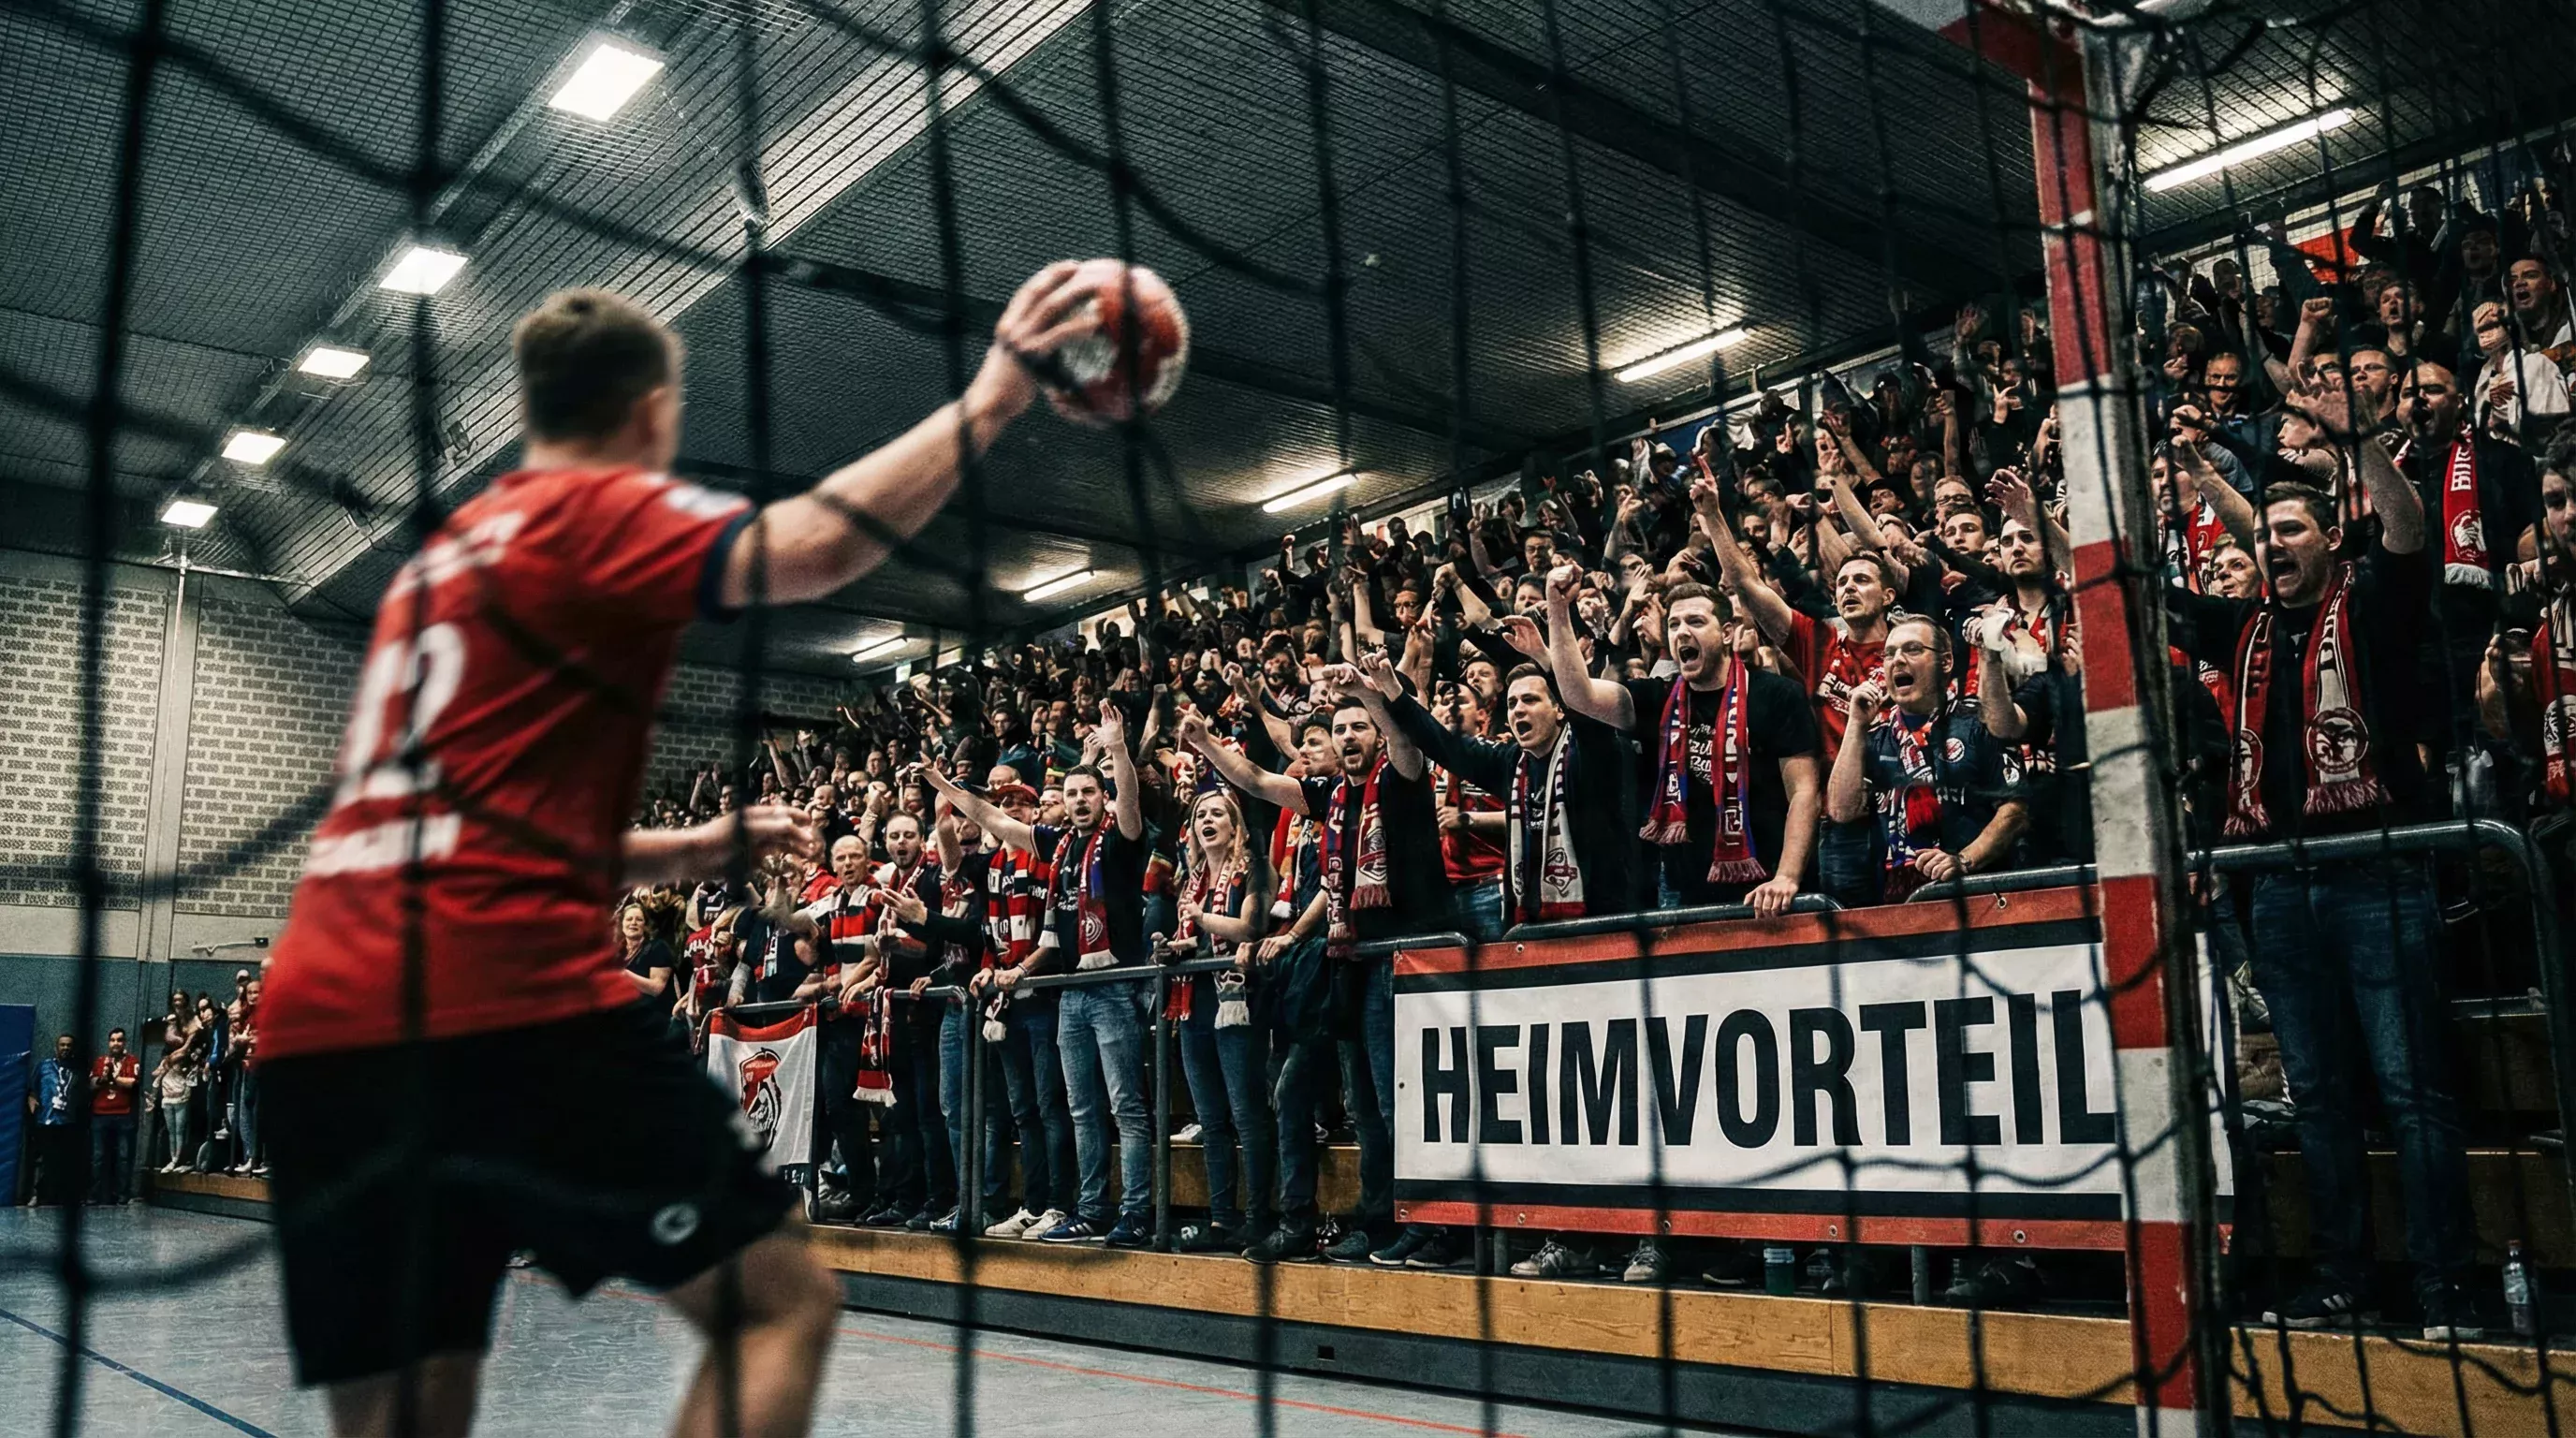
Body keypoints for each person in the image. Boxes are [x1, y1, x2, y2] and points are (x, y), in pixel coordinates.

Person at [255, 265, 1101, 1433]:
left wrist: (700, 844)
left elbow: (488, 836)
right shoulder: (592, 509)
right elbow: (811, 545)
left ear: (534, 405)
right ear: (653, 413)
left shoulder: (437, 569)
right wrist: (998, 392)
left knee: (409, 1410)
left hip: (321, 1026)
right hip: (498, 1005)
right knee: (776, 1307)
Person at [2164, 369, 2483, 1341]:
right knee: (2317, 1099)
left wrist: (2356, 448)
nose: (2272, 545)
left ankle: (2446, 1289)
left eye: (2292, 530)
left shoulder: (2375, 604)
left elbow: (2408, 530)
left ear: (2327, 539)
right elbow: (2133, 599)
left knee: (2411, 1092)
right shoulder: (2246, 628)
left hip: (2376, 879)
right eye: (2263, 536)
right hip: (2280, 893)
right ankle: (2344, 1278)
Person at [1186, 670, 1452, 1264]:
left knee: (1389, 1103)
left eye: (1360, 727)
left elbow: (1407, 740)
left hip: (1400, 965)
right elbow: (1255, 779)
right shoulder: (1329, 797)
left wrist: (1374, 694)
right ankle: (1347, 1223)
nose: (1350, 735)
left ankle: (1417, 1224)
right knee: (1347, 1101)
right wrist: (1206, 742)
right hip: (1345, 964)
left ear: (1377, 737)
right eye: (1341, 728)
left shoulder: (1403, 780)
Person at [1545, 572, 1816, 917]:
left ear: (1728, 632)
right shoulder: (1658, 697)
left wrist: (1787, 877)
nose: (1682, 632)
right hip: (1682, 894)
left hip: (1767, 892)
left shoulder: (1777, 695)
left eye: (1696, 621)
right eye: (1673, 624)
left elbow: (1804, 792)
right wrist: (1557, 606)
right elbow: (1578, 695)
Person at [1030, 707, 1155, 1247]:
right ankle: (1091, 1209)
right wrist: (945, 789)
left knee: (1126, 1106)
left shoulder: (1120, 839)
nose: (1080, 800)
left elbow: (1129, 798)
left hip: (1114, 989)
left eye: (1089, 793)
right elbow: (1002, 825)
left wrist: (1120, 751)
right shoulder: (1062, 847)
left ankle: (1137, 1211)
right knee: (1082, 1108)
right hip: (1070, 992)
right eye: (1072, 793)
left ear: (1101, 798)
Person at [1823, 616, 2027, 904]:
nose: (1897, 660)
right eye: (1889, 653)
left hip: (1978, 899)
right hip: (1897, 905)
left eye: (1913, 649)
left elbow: (2016, 810)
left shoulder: (1978, 724)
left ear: (1945, 662)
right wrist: (1856, 725)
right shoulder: (1874, 737)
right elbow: (1841, 812)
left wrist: (1964, 860)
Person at [88, 1027, 139, 1205]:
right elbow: (92, 1084)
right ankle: (94, 1195)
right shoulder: (100, 1061)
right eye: (113, 1040)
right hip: (100, 1114)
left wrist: (113, 1078)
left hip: (123, 1115)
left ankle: (123, 1195)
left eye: (119, 1040)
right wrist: (103, 1079)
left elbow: (132, 1083)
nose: (116, 1043)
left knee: (124, 1157)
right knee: (97, 1157)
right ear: (108, 1042)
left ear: (124, 1042)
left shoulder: (132, 1060)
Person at [25, 1034, 77, 1207]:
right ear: (57, 1047)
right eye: (62, 1045)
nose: (65, 1048)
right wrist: (32, 1101)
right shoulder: (44, 1066)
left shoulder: (77, 1069)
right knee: (48, 1159)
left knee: (65, 1161)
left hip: (68, 1121)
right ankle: (39, 1194)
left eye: (68, 1045)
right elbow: (33, 1089)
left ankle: (60, 1197)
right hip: (46, 1120)